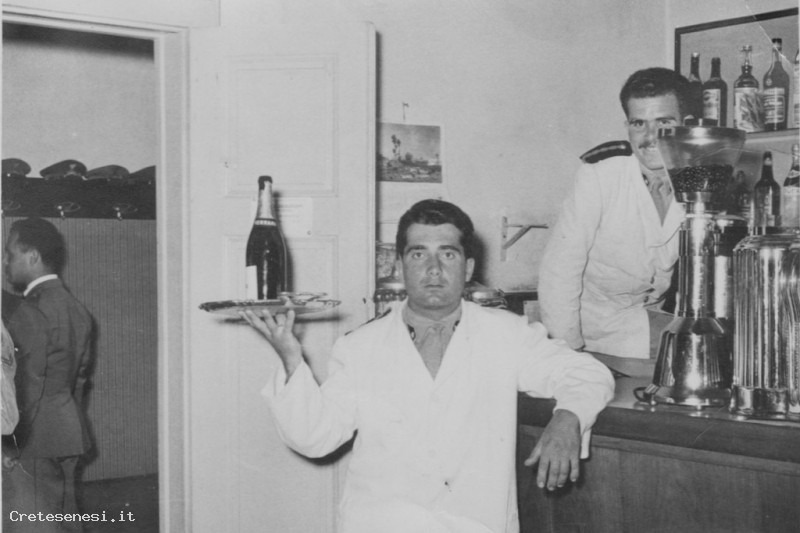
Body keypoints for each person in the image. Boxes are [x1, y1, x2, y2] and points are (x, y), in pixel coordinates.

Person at [242, 199, 614, 533]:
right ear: (399, 265)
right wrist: (290, 358)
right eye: (418, 254)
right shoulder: (360, 347)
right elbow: (315, 438)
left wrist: (568, 418)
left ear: (468, 267)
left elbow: (587, 373)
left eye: (447, 254)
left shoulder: (507, 334)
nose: (433, 269)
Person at [538, 67, 691, 359]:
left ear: (686, 125)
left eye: (663, 122)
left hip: (648, 320)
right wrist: (568, 354)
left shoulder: (696, 183)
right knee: (691, 346)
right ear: (627, 125)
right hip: (589, 327)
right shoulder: (599, 178)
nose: (649, 137)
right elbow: (559, 272)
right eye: (638, 123)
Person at [3, 217, 93, 532]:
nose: (5, 262)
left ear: (33, 257)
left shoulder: (31, 310)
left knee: (33, 523)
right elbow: (78, 382)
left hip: (34, 440)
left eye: (10, 254)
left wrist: (11, 443)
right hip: (68, 432)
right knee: (65, 521)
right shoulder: (76, 308)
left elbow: (27, 382)